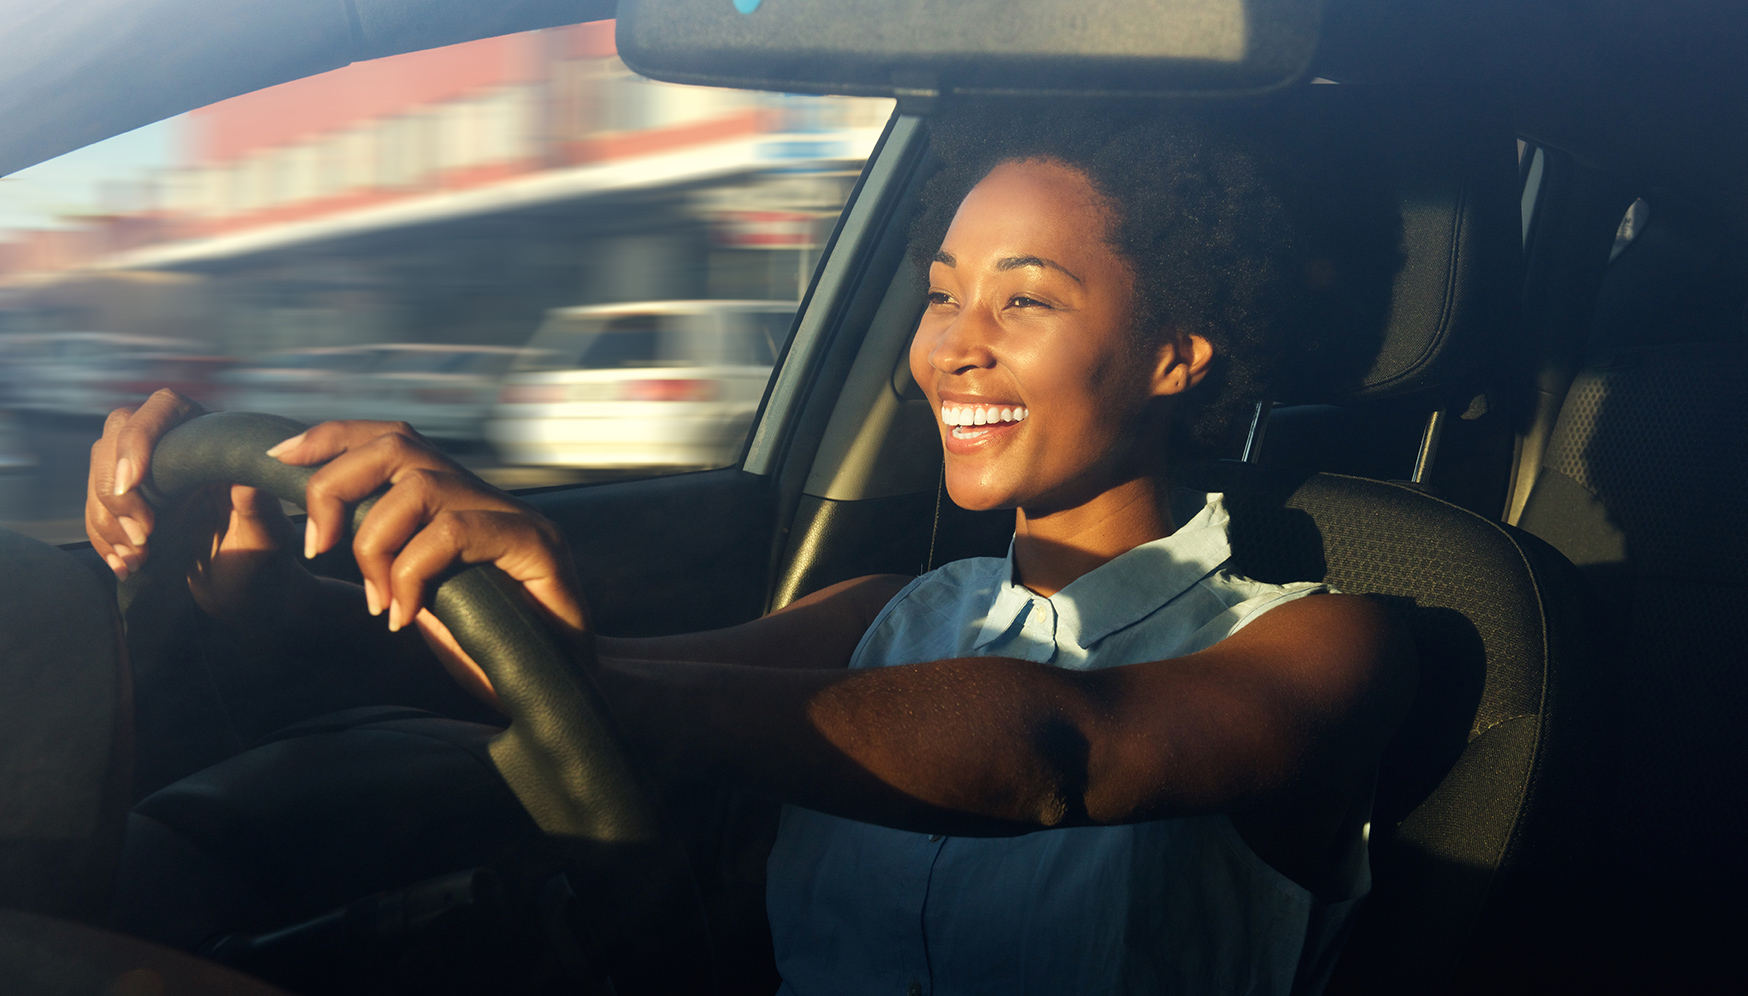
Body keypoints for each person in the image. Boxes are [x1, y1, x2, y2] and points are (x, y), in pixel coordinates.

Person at [86, 105, 1414, 995]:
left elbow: (1064, 752)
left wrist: (596, 680)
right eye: (943, 292)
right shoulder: (893, 611)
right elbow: (562, 690)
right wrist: (274, 595)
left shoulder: (1318, 639)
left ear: (1180, 355)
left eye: (1025, 300)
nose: (954, 341)